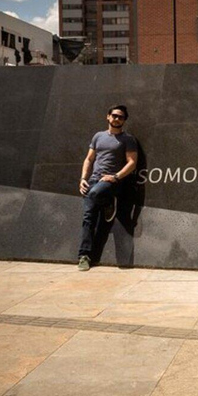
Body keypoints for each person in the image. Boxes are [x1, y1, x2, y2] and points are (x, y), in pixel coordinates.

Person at [77, 105, 138, 271]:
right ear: (108, 116)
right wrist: (83, 178)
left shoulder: (128, 139)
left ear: (124, 120)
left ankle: (107, 202)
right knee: (88, 218)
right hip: (94, 179)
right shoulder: (98, 136)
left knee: (95, 193)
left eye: (121, 117)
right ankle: (84, 256)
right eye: (115, 115)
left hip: (112, 182)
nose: (117, 119)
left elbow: (132, 162)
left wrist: (116, 176)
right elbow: (89, 159)